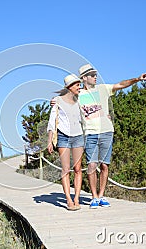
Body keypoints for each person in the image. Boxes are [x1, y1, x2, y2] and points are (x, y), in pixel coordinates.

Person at [78, 63, 146, 208]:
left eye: (96, 74)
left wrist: (136, 79)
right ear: (84, 78)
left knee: (104, 165)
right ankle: (94, 197)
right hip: (90, 133)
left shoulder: (102, 89)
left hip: (106, 132)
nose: (95, 77)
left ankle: (102, 195)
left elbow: (121, 85)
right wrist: (54, 102)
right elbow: (64, 102)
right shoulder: (78, 95)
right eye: (92, 75)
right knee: (91, 165)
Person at [47, 74, 84, 211]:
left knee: (78, 169)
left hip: (78, 136)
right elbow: (52, 121)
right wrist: (50, 141)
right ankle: (68, 200)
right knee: (65, 169)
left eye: (79, 85)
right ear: (69, 87)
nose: (79, 87)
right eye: (76, 85)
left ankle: (76, 198)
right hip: (63, 136)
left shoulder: (81, 99)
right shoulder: (57, 101)